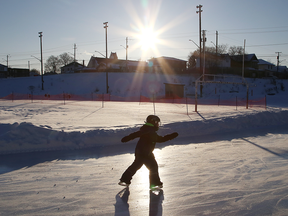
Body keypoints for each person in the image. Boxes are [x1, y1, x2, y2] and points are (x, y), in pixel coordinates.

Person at [119, 115, 178, 189]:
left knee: (136, 165)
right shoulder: (149, 130)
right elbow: (159, 139)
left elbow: (138, 134)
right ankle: (155, 183)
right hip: (146, 153)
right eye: (157, 123)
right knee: (153, 167)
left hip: (140, 151)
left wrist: (127, 138)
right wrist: (171, 136)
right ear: (153, 122)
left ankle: (124, 180)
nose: (158, 124)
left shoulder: (148, 129)